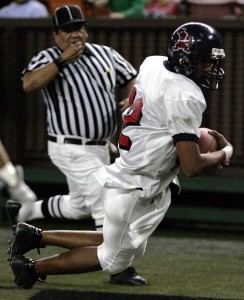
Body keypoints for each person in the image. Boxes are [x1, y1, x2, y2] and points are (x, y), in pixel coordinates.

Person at [7, 22, 234, 290]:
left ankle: (34, 235)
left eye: (212, 61)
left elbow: (147, 103)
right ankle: (31, 269)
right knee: (113, 258)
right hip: (136, 186)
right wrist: (224, 152)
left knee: (122, 244)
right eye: (204, 61)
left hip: (135, 175)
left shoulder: (154, 63)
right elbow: (192, 166)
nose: (210, 68)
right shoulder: (185, 96)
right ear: (184, 58)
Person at [6, 5, 147, 286]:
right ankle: (118, 267)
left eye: (80, 28)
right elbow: (29, 84)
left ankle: (24, 212)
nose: (76, 34)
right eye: (69, 30)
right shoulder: (47, 58)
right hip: (68, 145)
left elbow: (133, 78)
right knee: (104, 198)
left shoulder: (104, 54)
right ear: (56, 34)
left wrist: (132, 95)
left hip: (100, 145)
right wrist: (60, 62)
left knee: (80, 205)